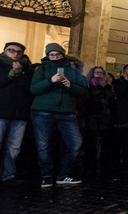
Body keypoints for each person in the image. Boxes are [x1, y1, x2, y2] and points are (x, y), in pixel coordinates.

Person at [30, 43, 88, 187]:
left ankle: (64, 174)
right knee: (44, 145)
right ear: (47, 55)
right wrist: (50, 81)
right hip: (43, 111)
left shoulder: (72, 70)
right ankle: (47, 176)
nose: (55, 57)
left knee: (75, 144)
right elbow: (34, 89)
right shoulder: (41, 68)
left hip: (66, 112)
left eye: (57, 54)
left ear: (63, 54)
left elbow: (83, 90)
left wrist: (70, 86)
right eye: (52, 55)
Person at [0, 42, 33, 185]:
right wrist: (10, 75)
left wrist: (19, 75)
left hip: (20, 114)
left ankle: (8, 174)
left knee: (14, 147)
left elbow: (30, 88)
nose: (15, 54)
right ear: (5, 51)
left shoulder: (27, 69)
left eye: (19, 52)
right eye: (11, 50)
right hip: (1, 111)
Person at [83, 66, 115, 172]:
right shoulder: (88, 87)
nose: (99, 75)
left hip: (105, 118)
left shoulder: (108, 88)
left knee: (106, 144)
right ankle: (90, 164)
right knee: (91, 144)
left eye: (101, 73)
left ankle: (104, 164)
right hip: (91, 119)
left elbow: (111, 100)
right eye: (97, 73)